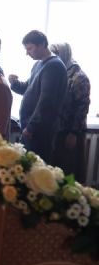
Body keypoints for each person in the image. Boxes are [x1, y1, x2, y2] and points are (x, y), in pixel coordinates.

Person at [8, 30, 67, 163]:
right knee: (28, 166)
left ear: (42, 45)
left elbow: (47, 101)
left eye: (30, 48)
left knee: (37, 168)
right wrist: (14, 83)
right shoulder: (39, 64)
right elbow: (27, 88)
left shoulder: (54, 66)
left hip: (39, 131)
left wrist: (31, 127)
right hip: (31, 128)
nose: (27, 53)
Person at [49, 42, 91, 182]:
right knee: (56, 172)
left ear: (62, 55)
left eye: (55, 55)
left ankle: (70, 196)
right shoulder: (61, 73)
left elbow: (82, 108)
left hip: (69, 132)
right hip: (57, 130)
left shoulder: (79, 77)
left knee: (69, 173)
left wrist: (73, 133)